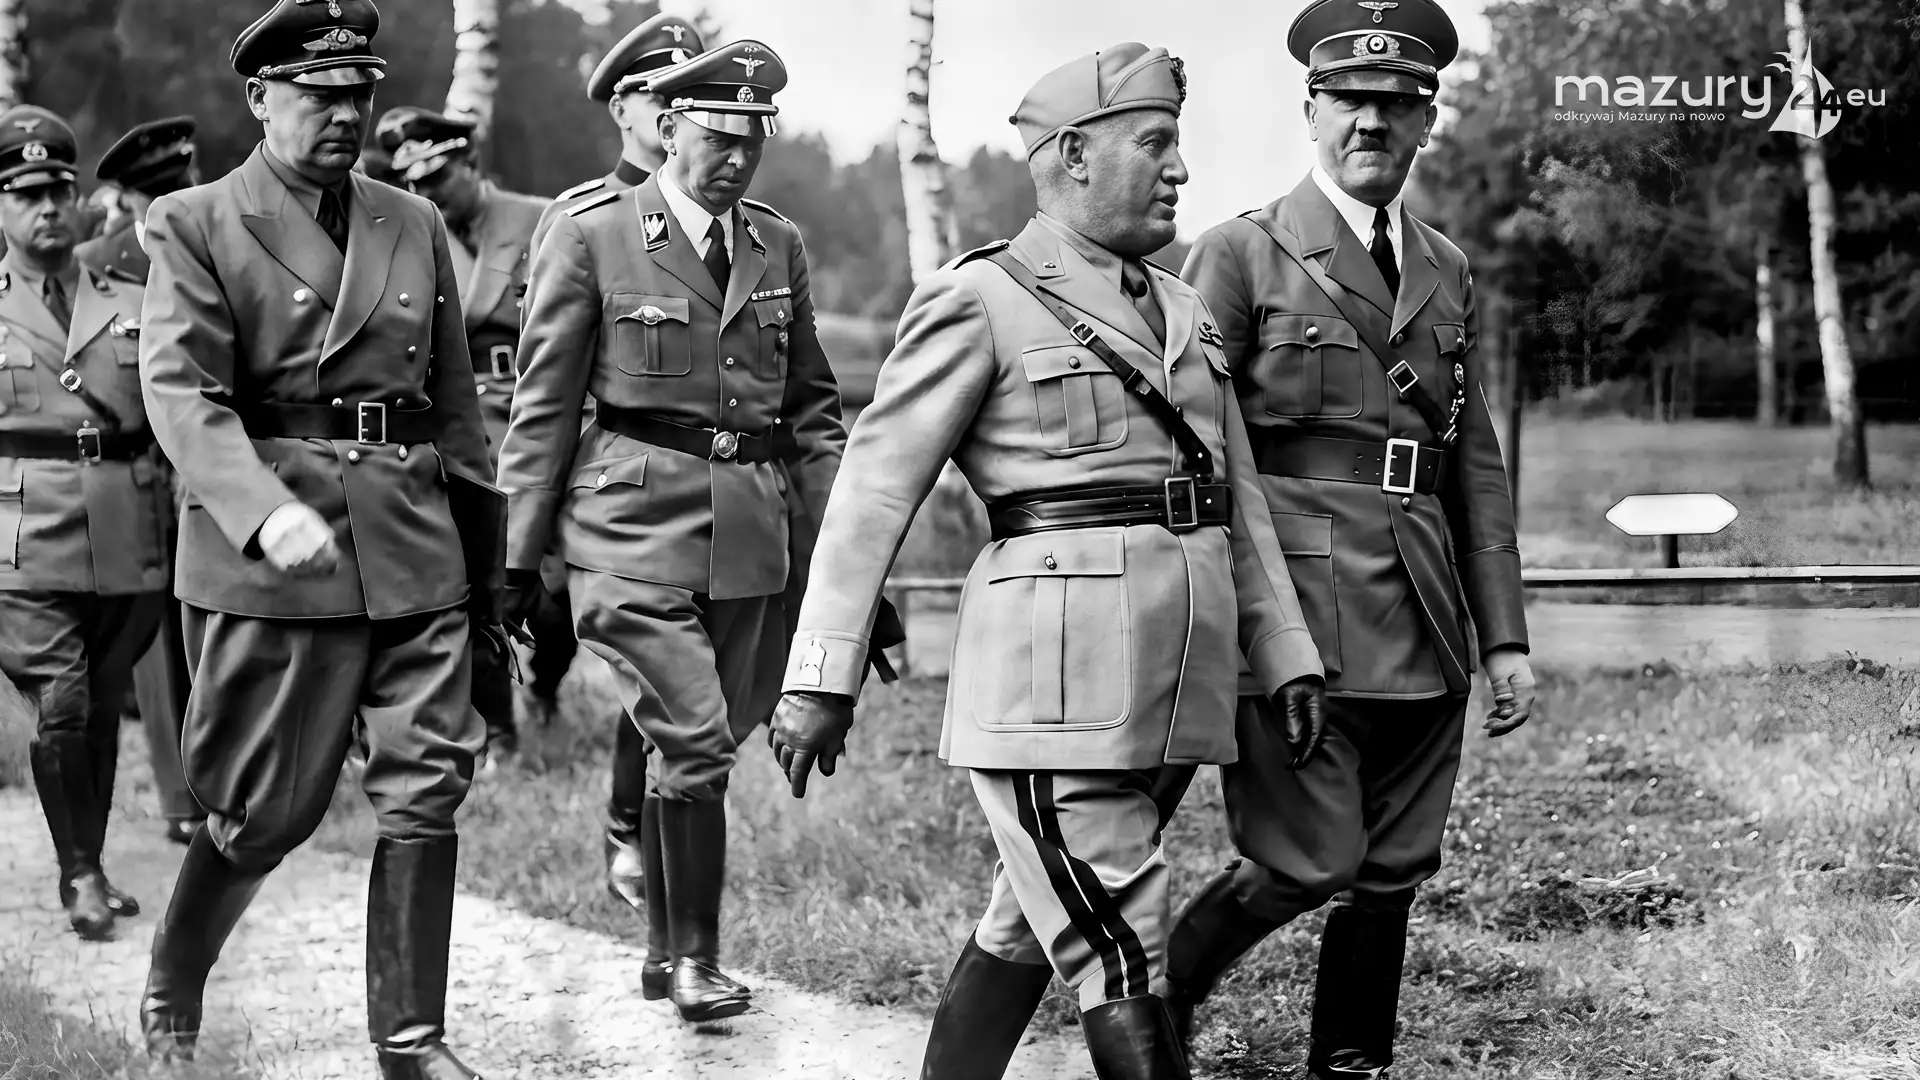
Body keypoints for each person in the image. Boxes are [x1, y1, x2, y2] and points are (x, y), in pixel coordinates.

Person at [767, 43, 1328, 1080]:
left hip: (1175, 686)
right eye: (1154, 144)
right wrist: (819, 676)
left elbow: (1235, 500)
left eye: (1176, 144)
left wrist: (1284, 649)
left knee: (1033, 920)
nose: (1180, 169)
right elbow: (873, 493)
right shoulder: (981, 297)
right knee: (1121, 940)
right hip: (1054, 689)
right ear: (1074, 154)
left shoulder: (1185, 310)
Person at [1161, 2, 1540, 1074]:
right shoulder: (1240, 252)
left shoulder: (1448, 267)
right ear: (1311, 112)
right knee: (1307, 856)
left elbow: (1473, 459)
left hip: (1424, 607)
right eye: (1349, 102)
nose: (1371, 122)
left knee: (1397, 861)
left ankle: (1351, 1060)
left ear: (1426, 122)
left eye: (1395, 104)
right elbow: (1195, 443)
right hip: (1298, 610)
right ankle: (1157, 1000)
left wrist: (1504, 636)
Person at [136, 1, 501, 1075]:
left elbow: (454, 407)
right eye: (318, 95)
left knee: (427, 786)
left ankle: (410, 1042)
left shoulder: (412, 219)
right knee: (264, 812)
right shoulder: (197, 221)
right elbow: (181, 394)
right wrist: (262, 510)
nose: (345, 114)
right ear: (260, 99)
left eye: (359, 95)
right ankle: (174, 979)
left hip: (414, 545)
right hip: (281, 559)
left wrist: (493, 567)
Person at [497, 39, 855, 1024]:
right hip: (627, 529)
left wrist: (843, 567)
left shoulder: (776, 243)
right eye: (715, 135)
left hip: (748, 536)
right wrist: (517, 560)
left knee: (700, 740)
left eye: (752, 137)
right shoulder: (592, 234)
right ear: (667, 127)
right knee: (695, 740)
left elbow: (812, 412)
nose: (735, 156)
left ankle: (662, 954)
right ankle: (698, 962)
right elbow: (543, 408)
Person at [517, 12, 707, 917]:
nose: (675, 112)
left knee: (687, 677)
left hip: (704, 491)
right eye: (658, 96)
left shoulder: (729, 222)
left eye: (687, 95)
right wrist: (541, 520)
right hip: (610, 489)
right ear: (625, 109)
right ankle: (629, 831)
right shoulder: (582, 218)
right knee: (651, 661)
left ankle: (650, 835)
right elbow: (548, 385)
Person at [0, 105, 171, 941]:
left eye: (57, 191)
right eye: (25, 193)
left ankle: (91, 860)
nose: (47, 208)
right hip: (22, 533)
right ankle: (80, 876)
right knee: (62, 699)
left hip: (126, 531)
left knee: (100, 700)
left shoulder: (136, 299)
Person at [377, 105, 549, 764]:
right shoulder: (412, 235)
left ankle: (549, 685)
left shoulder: (540, 221)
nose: (428, 192)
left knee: (554, 591)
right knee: (477, 581)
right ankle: (495, 724)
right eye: (415, 183)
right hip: (458, 431)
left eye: (439, 176)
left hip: (532, 421)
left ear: (470, 163)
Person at [78, 114, 208, 846]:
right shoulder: (94, 265)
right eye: (157, 190)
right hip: (140, 465)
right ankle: (185, 795)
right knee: (161, 634)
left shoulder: (224, 238)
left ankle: (217, 782)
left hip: (207, 458)